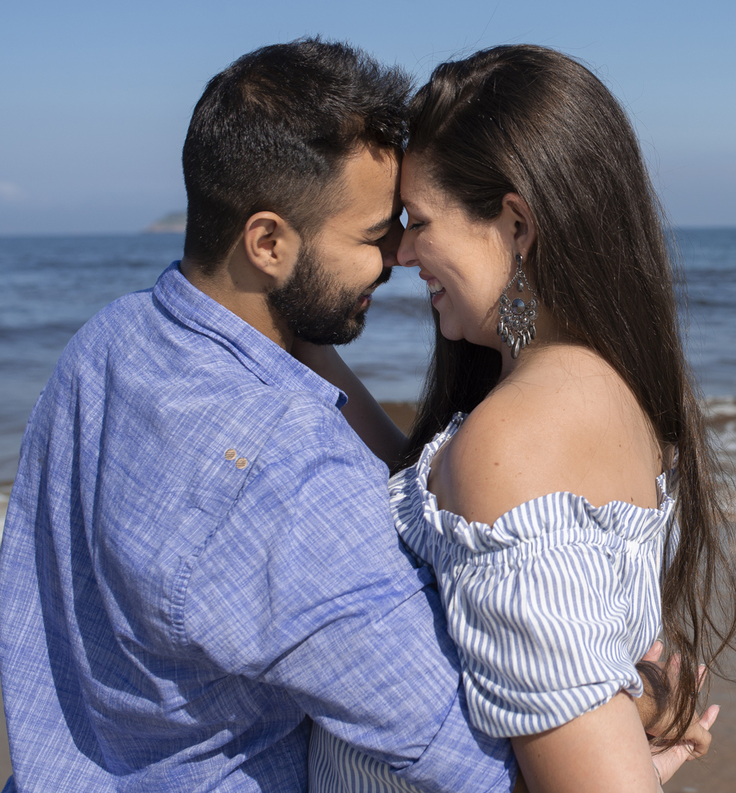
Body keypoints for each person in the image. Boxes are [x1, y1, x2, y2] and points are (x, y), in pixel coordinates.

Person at [0, 39, 517, 792]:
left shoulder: (105, 344)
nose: (399, 257)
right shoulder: (288, 472)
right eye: (375, 236)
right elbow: (461, 749)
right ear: (268, 242)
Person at [309, 45, 736, 793]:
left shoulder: (518, 439)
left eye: (420, 221)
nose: (403, 253)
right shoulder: (605, 387)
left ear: (515, 225)